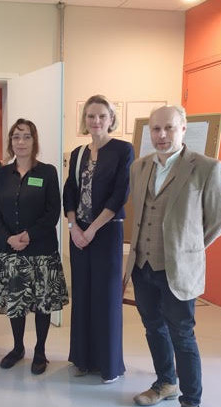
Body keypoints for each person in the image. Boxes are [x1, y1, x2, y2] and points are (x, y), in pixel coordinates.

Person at [124, 105, 221, 407]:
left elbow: (218, 220)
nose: (161, 135)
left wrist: (188, 248)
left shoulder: (207, 168)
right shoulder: (139, 167)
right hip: (143, 266)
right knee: (153, 327)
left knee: (182, 336)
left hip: (178, 269)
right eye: (156, 129)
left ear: (183, 129)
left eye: (169, 128)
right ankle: (165, 382)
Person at [63, 94, 134, 383]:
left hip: (106, 232)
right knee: (82, 295)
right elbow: (69, 191)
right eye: (91, 116)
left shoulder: (123, 150)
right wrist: (73, 227)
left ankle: (108, 365)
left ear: (111, 119)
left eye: (102, 116)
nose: (96, 121)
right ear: (85, 120)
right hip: (78, 234)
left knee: (106, 297)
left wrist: (92, 229)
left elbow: (120, 194)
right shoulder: (78, 153)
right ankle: (82, 359)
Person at [0, 118, 68, 375]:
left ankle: (40, 351)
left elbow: (52, 212)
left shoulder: (47, 172)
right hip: (10, 250)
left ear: (34, 141)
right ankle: (17, 348)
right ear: (10, 142)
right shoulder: (1, 174)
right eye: (16, 137)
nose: (21, 142)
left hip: (41, 250)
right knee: (16, 303)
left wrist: (28, 235)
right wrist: (9, 238)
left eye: (26, 136)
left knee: (42, 303)